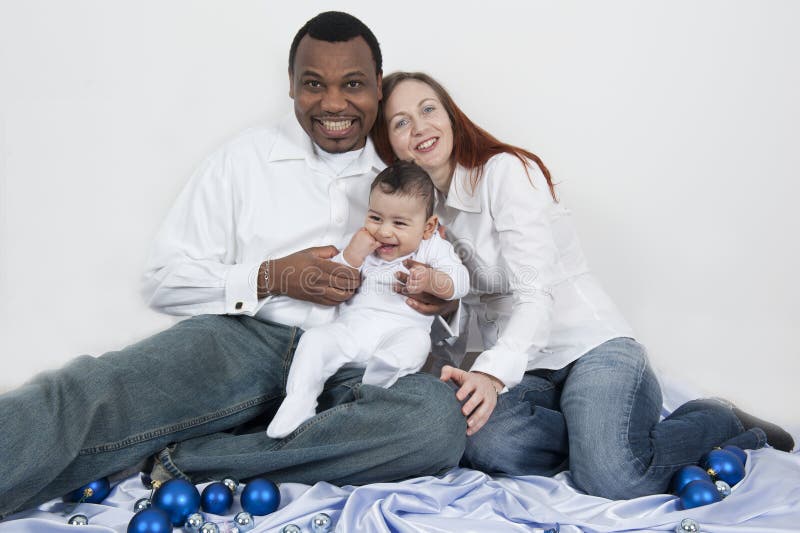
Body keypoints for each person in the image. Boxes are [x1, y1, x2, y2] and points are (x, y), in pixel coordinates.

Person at [0, 14, 467, 519]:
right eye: (314, 84)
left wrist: (441, 299)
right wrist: (271, 277)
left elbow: (446, 295)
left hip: (350, 363)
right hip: (240, 341)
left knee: (436, 421)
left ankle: (192, 460)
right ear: (291, 87)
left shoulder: (407, 180)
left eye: (353, 84)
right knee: (88, 393)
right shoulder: (243, 160)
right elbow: (164, 279)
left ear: (378, 86)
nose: (333, 103)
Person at [371, 71, 795, 500]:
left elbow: (535, 291)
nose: (420, 126)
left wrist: (491, 376)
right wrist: (444, 307)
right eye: (401, 122)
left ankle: (717, 419)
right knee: (479, 438)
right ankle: (600, 439)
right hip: (532, 370)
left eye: (428, 109)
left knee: (615, 478)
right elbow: (479, 306)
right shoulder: (428, 217)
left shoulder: (504, 173)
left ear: (451, 116)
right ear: (391, 145)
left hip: (592, 347)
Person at [267, 161, 469, 438]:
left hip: (401, 331)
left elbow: (460, 280)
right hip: (352, 331)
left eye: (399, 223)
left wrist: (433, 280)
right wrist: (351, 256)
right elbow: (333, 282)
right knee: (314, 342)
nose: (384, 232)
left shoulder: (433, 248)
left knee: (416, 344)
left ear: (428, 226)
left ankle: (377, 383)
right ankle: (300, 400)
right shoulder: (361, 243)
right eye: (375, 218)